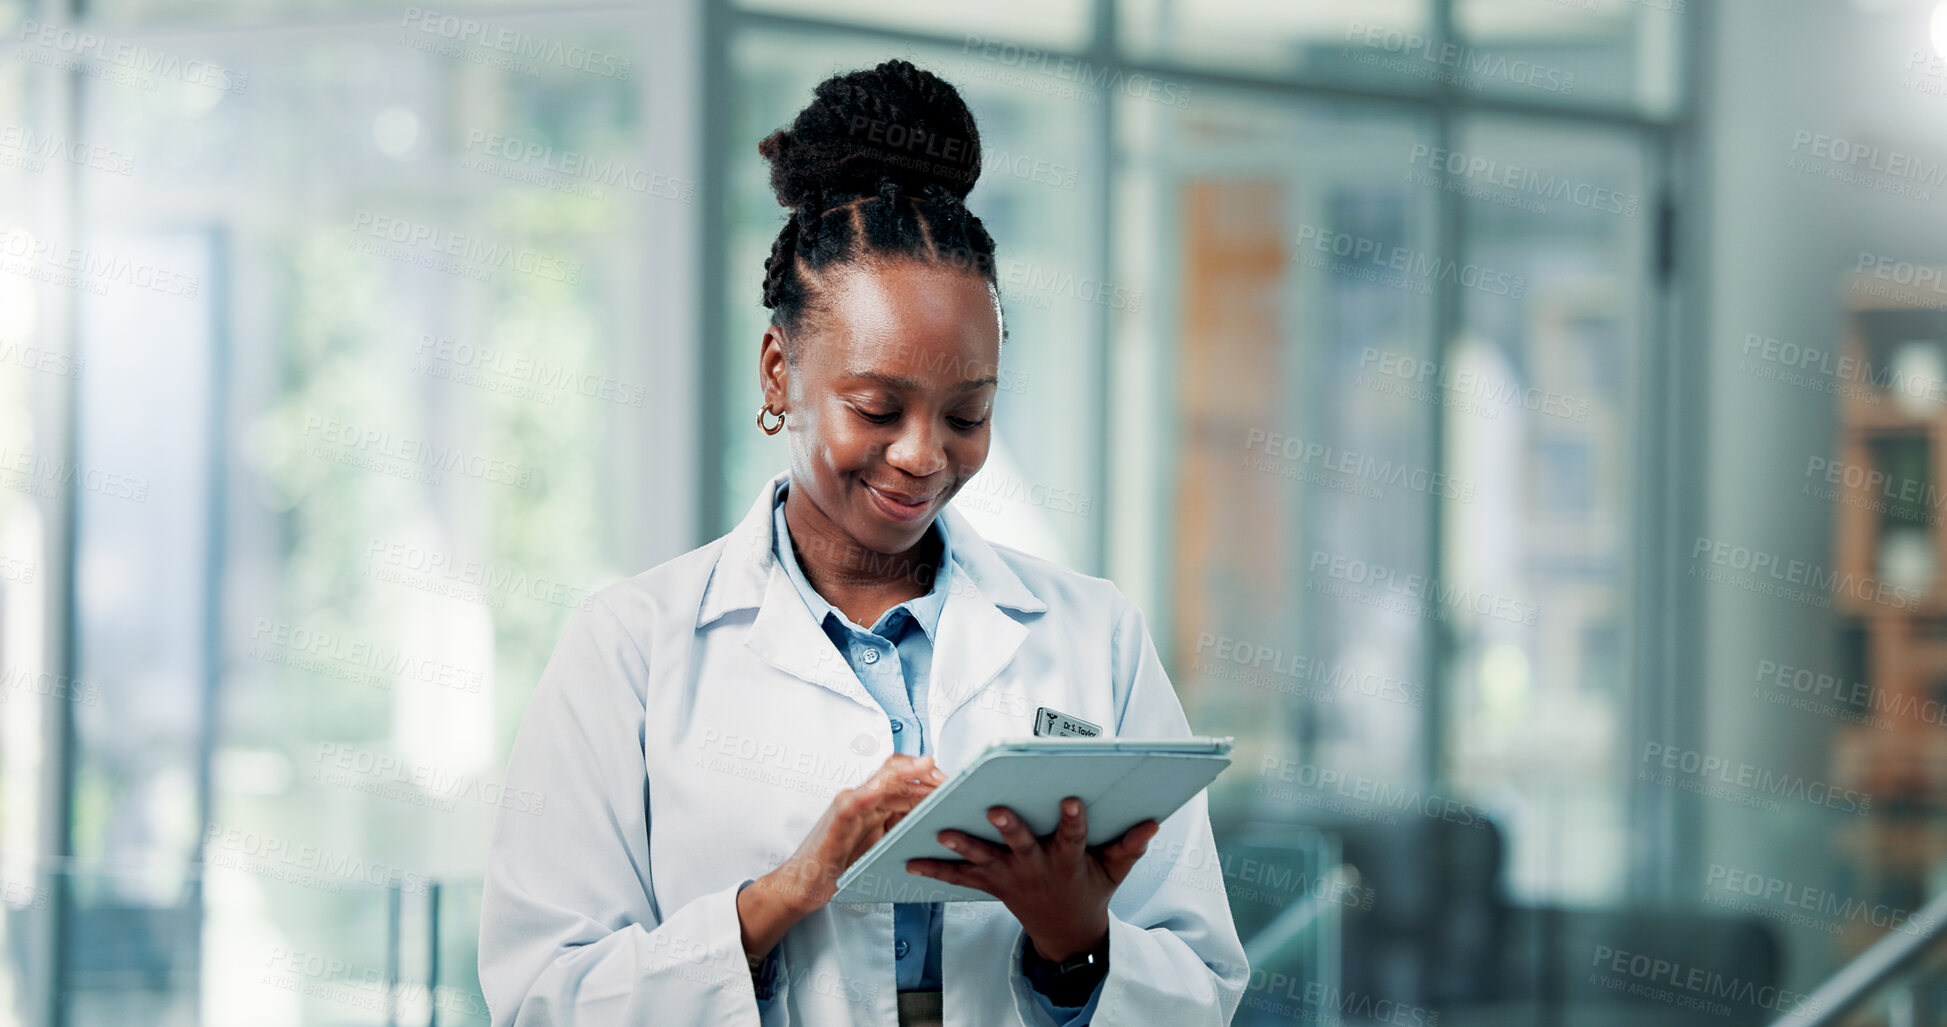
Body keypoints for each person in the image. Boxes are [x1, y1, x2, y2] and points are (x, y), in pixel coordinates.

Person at [477, 58, 1246, 1027]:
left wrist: (1074, 937)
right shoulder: (629, 648)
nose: (923, 456)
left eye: (968, 414)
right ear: (777, 371)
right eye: (877, 407)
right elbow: (544, 996)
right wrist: (780, 897)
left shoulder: (1095, 635)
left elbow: (1202, 985)